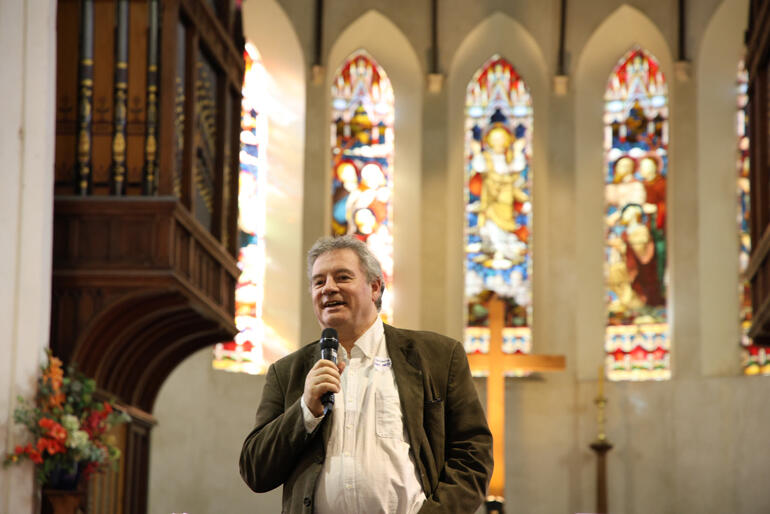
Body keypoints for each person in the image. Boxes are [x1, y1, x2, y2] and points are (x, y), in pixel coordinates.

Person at [240, 235, 493, 513]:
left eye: (342, 277)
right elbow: (255, 471)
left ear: (374, 287)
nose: (328, 288)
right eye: (318, 281)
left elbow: (473, 455)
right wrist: (305, 410)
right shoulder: (287, 372)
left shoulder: (437, 357)